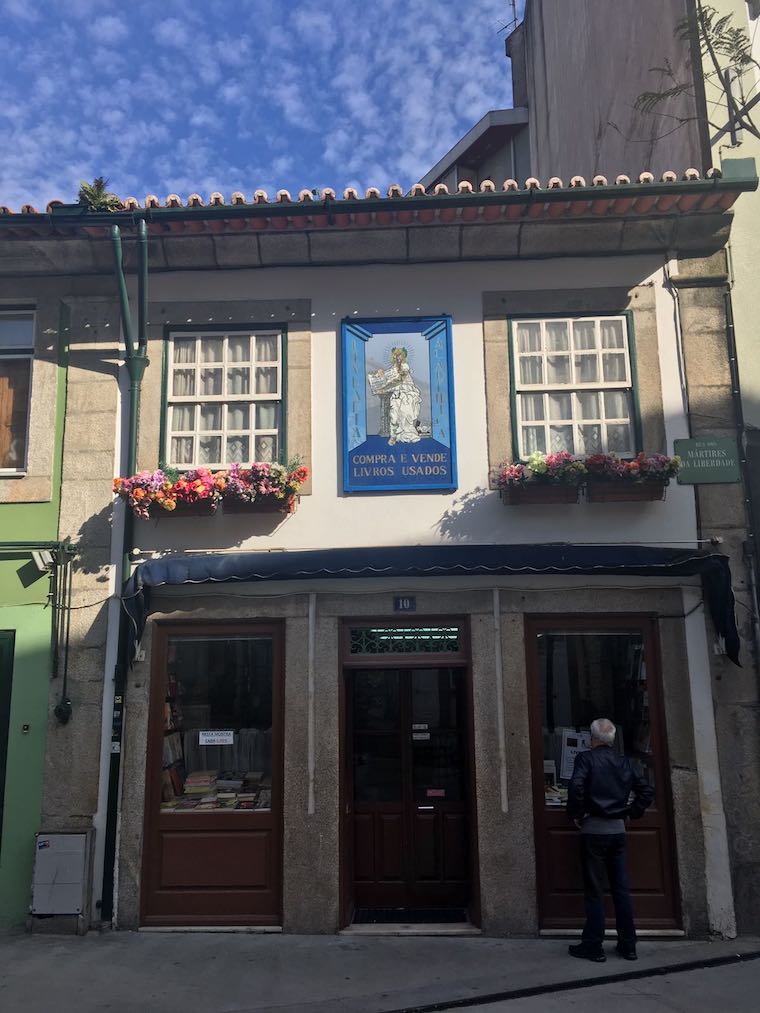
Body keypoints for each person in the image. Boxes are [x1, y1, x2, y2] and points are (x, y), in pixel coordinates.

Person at [566, 717, 654, 963]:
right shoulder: (624, 762)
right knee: (621, 890)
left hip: (593, 830)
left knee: (595, 891)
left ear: (592, 738)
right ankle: (628, 945)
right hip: (617, 832)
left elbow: (576, 788)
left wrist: (576, 814)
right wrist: (630, 813)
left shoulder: (586, 759)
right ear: (612, 739)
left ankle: (593, 945)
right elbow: (647, 792)